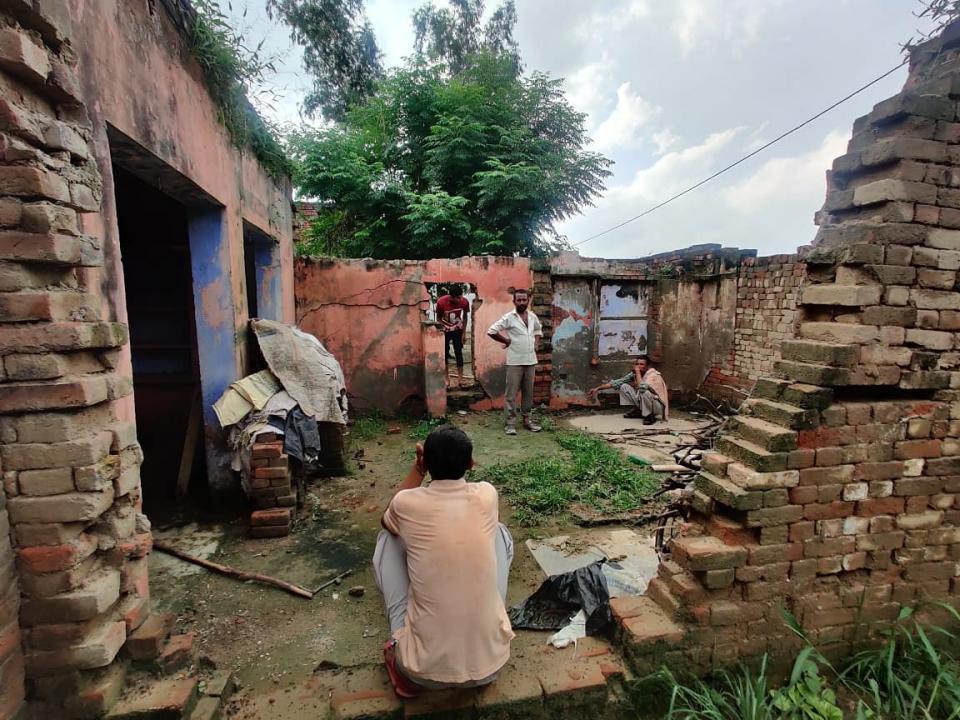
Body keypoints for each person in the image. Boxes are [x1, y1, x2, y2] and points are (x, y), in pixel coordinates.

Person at [372, 425, 515, 698]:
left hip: (420, 671)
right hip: (491, 666)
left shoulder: (406, 503)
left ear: (425, 461)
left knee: (387, 539)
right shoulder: (487, 494)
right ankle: (489, 623)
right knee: (498, 532)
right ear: (471, 463)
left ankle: (397, 642)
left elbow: (386, 518)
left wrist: (418, 470)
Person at [487, 289, 542, 435]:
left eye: (524, 300)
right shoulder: (509, 317)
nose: (522, 302)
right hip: (515, 362)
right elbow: (492, 331)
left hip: (531, 361)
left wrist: (536, 344)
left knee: (528, 393)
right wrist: (506, 340)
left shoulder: (532, 316)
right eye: (519, 300)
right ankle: (510, 423)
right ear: (514, 301)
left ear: (528, 300)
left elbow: (538, 330)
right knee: (511, 394)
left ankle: (527, 420)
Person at [586, 355, 669, 424]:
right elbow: (617, 382)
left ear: (647, 366)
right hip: (647, 402)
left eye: (642, 364)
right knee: (623, 386)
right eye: (637, 364)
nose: (639, 366)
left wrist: (637, 372)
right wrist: (597, 388)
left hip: (657, 407)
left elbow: (642, 388)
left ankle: (649, 416)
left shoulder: (653, 375)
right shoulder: (635, 373)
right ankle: (640, 411)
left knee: (643, 391)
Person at [436, 284, 470, 389]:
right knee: (445, 354)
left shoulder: (464, 302)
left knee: (459, 353)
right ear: (452, 297)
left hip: (458, 329)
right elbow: (438, 318)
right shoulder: (441, 302)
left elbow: (465, 317)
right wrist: (442, 330)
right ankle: (447, 380)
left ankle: (461, 379)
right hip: (445, 330)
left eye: (461, 296)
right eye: (458, 297)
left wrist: (464, 333)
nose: (460, 299)